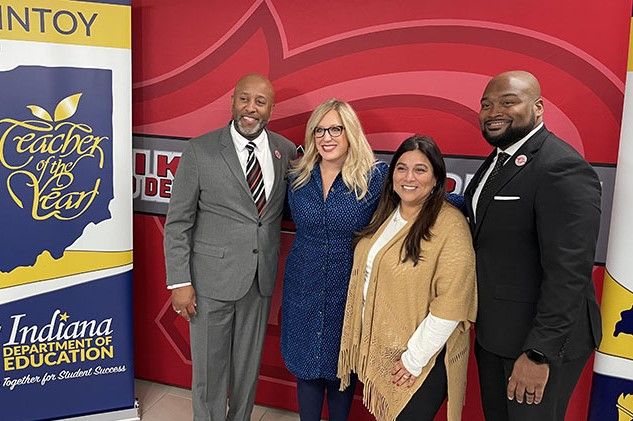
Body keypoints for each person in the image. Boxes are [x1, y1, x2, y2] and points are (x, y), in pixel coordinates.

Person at [464, 70, 602, 421]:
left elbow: (569, 271)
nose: (494, 110)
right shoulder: (499, 160)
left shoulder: (561, 166)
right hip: (497, 334)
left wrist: (539, 353)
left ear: (538, 108)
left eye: (508, 102)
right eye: (486, 104)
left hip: (539, 343)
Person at [164, 73, 297, 421]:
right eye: (244, 99)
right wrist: (180, 283)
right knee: (209, 371)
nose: (250, 108)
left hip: (259, 280)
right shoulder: (200, 150)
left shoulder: (285, 150)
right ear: (233, 101)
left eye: (260, 101)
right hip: (210, 282)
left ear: (271, 108)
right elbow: (178, 223)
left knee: (247, 369)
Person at [337, 135, 477, 421]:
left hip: (421, 360)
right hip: (384, 349)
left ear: (438, 178)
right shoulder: (387, 214)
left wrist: (413, 359)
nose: (408, 177)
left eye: (420, 169)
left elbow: (451, 304)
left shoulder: (450, 225)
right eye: (401, 168)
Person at [280, 99, 388, 421]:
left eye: (335, 129)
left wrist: (467, 205)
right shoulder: (298, 176)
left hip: (349, 287)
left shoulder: (375, 178)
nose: (327, 137)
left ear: (350, 132)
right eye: (319, 130)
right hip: (303, 283)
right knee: (306, 366)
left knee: (342, 369)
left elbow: (417, 198)